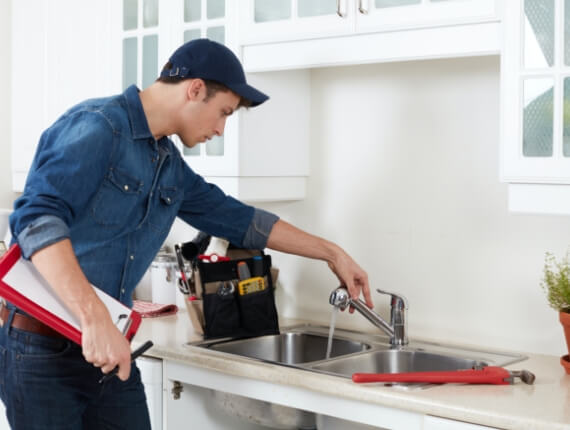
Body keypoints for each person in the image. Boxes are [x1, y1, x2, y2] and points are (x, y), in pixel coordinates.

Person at [2, 38, 371, 429]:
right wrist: (94, 319)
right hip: (42, 350)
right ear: (195, 89)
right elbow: (36, 220)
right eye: (223, 112)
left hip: (110, 349)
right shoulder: (98, 127)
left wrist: (332, 252)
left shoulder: (168, 166)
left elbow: (240, 219)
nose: (221, 128)